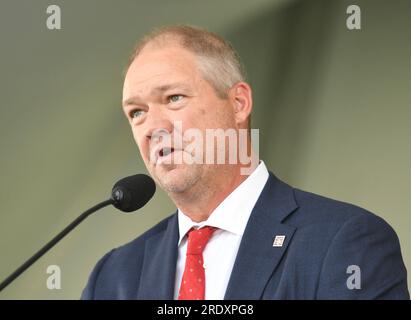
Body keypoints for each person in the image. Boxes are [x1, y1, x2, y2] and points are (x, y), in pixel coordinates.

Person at [81, 25, 409, 300]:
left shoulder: (344, 243)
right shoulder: (113, 278)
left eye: (173, 98)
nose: (153, 127)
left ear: (238, 103)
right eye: (137, 112)